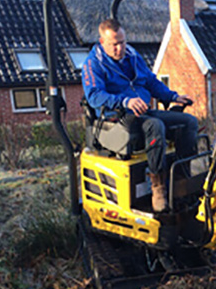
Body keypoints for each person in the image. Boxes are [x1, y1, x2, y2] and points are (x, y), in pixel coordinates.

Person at [82, 18, 198, 212]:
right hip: (117, 118)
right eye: (114, 45)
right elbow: (94, 96)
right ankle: (158, 187)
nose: (120, 48)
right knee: (155, 126)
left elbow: (151, 82)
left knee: (189, 122)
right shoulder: (94, 64)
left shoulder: (132, 56)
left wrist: (173, 96)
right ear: (102, 43)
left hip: (143, 112)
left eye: (123, 42)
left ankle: (181, 181)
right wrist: (124, 101)